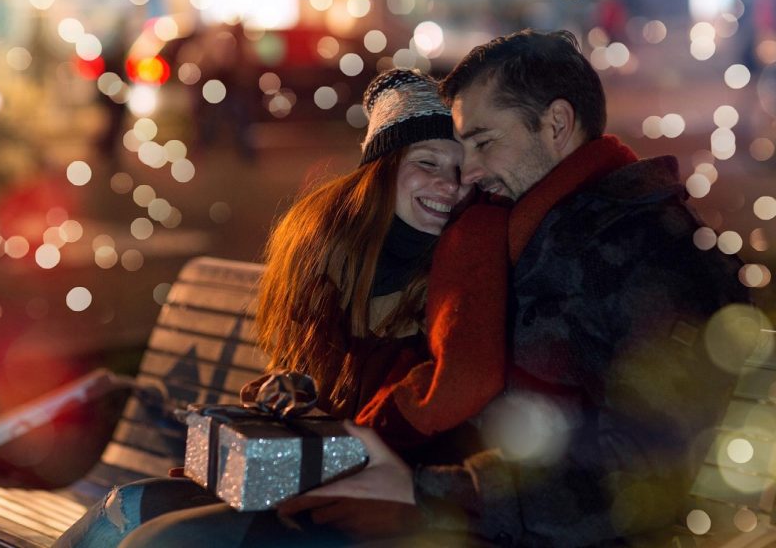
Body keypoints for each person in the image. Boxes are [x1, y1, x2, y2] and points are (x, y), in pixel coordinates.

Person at [278, 29, 754, 546]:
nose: (470, 174)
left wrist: (424, 498)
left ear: (556, 124)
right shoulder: (525, 232)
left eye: (483, 143)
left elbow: (637, 474)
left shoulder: (657, 257)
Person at [53, 67, 473, 547]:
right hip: (308, 484)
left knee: (162, 541)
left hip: (378, 512)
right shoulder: (332, 260)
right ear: (384, 168)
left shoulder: (460, 273)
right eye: (429, 163)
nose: (449, 185)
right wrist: (273, 422)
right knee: (125, 508)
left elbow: (425, 419)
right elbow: (313, 395)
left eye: (461, 171)